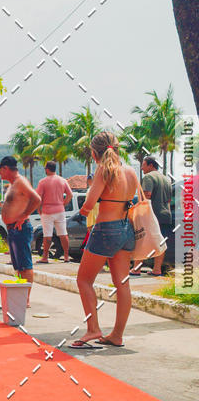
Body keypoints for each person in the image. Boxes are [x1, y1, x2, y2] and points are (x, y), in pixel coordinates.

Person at [73, 131, 137, 348]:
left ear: (94, 153)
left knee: (84, 280)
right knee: (122, 283)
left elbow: (90, 203)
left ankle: (93, 329)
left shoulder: (103, 171)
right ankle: (117, 335)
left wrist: (82, 212)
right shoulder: (130, 171)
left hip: (105, 229)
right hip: (126, 228)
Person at [0, 156, 41, 298]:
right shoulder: (13, 184)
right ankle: (21, 296)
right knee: (19, 267)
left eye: (0, 170)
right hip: (13, 229)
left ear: (6, 168)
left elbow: (37, 199)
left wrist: (24, 215)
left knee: (25, 265)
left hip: (20, 228)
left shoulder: (20, 182)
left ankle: (25, 298)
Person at [130, 156, 172, 276]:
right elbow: (169, 199)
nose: (142, 167)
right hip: (165, 215)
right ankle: (156, 270)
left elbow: (146, 195)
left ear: (151, 165)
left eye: (144, 165)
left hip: (152, 215)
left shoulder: (148, 177)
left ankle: (136, 269)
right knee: (160, 243)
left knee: (142, 240)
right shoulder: (166, 179)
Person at [36, 161, 73, 263]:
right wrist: (63, 204)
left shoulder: (43, 182)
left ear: (47, 169)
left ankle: (45, 257)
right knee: (63, 234)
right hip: (60, 210)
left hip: (47, 211)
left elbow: (38, 197)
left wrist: (39, 209)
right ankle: (66, 256)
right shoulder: (62, 180)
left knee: (47, 234)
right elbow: (70, 195)